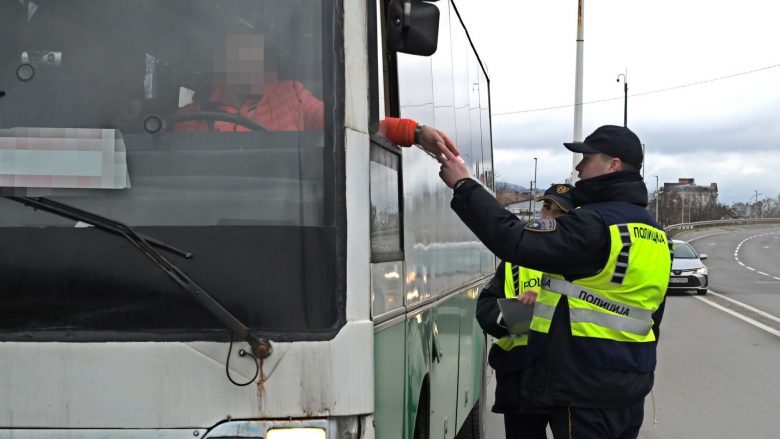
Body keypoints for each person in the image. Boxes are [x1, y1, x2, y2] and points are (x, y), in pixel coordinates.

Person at [438, 125, 671, 439]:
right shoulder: (655, 234)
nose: (578, 167)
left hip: (584, 387)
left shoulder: (595, 225)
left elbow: (516, 239)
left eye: (587, 158)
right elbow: (652, 315)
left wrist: (464, 185)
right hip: (629, 386)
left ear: (612, 165)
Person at [171, 34, 460, 158]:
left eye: (252, 53)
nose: (246, 62)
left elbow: (355, 126)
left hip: (292, 224)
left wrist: (415, 131)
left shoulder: (292, 96)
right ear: (220, 65)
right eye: (234, 55)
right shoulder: (191, 118)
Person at [477, 183, 574, 439]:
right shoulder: (516, 258)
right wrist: (513, 313)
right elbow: (485, 307)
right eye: (546, 206)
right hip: (520, 377)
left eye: (558, 212)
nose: (547, 215)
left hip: (568, 379)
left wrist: (543, 301)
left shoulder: (584, 261)